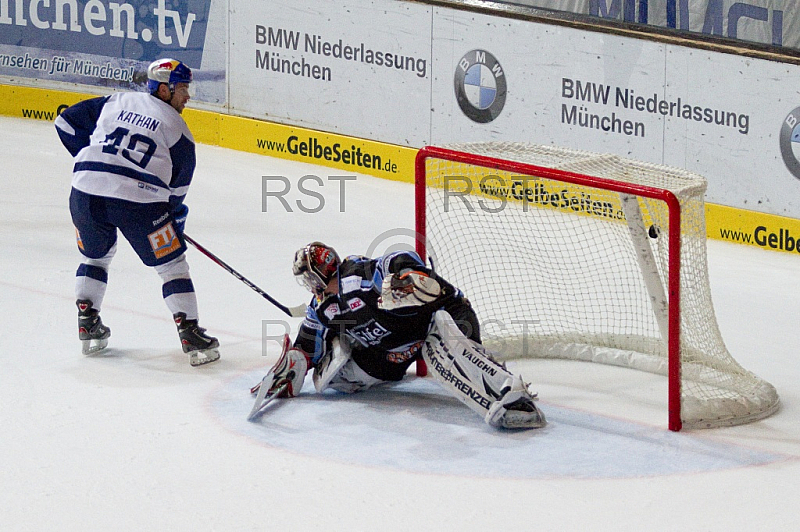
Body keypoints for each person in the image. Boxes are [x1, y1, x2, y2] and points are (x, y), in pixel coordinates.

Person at [258, 242, 545, 429]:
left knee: (442, 359)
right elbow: (309, 339)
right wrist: (296, 362)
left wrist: (405, 275)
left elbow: (394, 259)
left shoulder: (356, 275)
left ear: (323, 272)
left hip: (441, 318)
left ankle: (513, 394)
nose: (308, 285)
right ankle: (343, 345)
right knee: (337, 381)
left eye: (309, 277)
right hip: (395, 347)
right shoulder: (323, 307)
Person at [54, 58, 220, 366]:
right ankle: (191, 334)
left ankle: (87, 323)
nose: (187, 96)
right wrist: (170, 217)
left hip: (84, 193)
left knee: (94, 257)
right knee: (172, 266)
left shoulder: (116, 100)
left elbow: (64, 123)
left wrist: (90, 158)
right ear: (163, 89)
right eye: (182, 89)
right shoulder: (178, 129)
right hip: (138, 203)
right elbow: (177, 191)